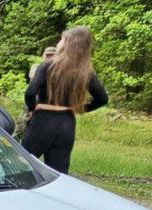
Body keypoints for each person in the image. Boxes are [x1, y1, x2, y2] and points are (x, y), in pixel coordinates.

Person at [22, 27, 109, 173]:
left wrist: (32, 108)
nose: (58, 43)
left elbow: (30, 93)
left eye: (61, 39)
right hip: (66, 125)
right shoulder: (86, 71)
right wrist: (78, 109)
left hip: (42, 121)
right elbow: (102, 98)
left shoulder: (47, 65)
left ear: (67, 44)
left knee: (23, 167)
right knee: (58, 174)